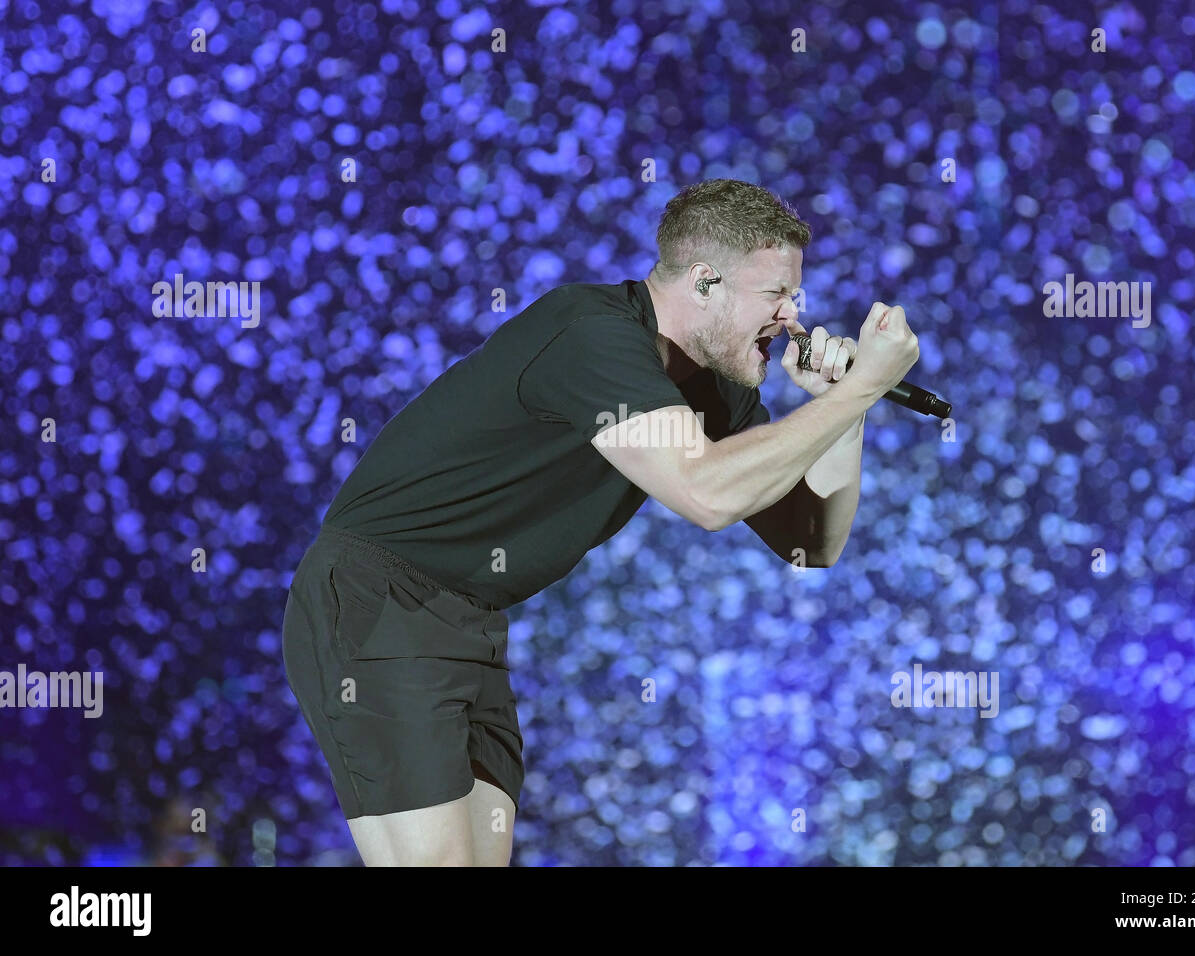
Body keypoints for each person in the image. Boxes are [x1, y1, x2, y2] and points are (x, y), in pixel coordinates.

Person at [280, 179, 920, 866]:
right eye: (777, 295)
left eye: (796, 297)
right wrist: (861, 387)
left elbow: (809, 544)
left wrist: (844, 410)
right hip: (380, 596)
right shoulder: (593, 332)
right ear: (705, 284)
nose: (794, 317)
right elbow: (704, 492)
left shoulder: (720, 388)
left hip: (473, 617)